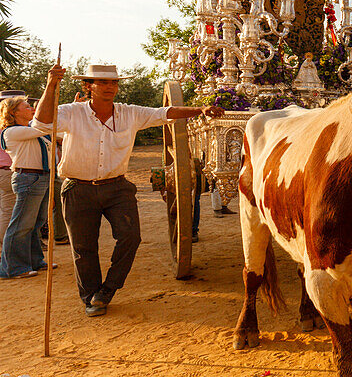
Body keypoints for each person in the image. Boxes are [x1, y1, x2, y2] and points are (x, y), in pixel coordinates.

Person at [33, 63, 224, 316]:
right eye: (102, 83)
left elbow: (164, 112)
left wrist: (200, 109)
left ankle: (108, 289)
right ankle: (91, 297)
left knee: (130, 237)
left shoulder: (130, 113)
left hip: (117, 188)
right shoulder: (72, 112)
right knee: (83, 248)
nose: (110, 87)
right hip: (78, 188)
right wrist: (51, 85)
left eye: (113, 83)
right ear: (88, 86)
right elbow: (42, 123)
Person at [0, 96, 52, 279]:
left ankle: (34, 261)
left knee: (35, 223)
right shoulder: (12, 131)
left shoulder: (31, 131)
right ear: (14, 112)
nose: (31, 109)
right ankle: (12, 268)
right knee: (21, 224)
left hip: (40, 177)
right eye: (27, 106)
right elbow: (47, 127)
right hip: (28, 177)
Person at [0, 90, 27, 245]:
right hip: (10, 170)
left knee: (7, 211)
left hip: (4, 171)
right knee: (12, 213)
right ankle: (8, 252)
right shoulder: (12, 128)